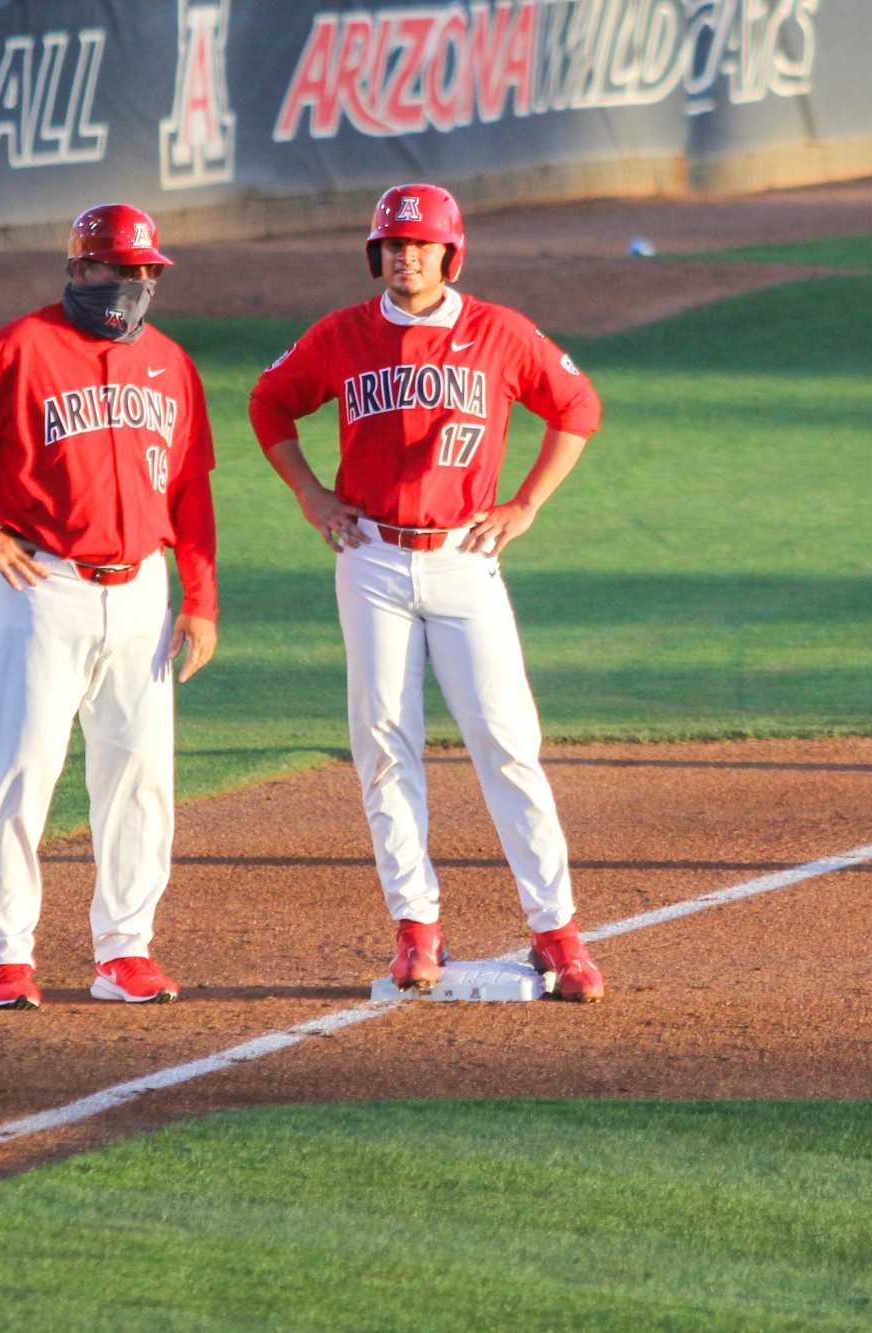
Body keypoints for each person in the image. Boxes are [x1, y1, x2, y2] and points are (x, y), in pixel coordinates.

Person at [247, 182, 607, 1002]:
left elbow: (577, 406)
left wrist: (527, 504)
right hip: (369, 555)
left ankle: (556, 931)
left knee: (507, 741)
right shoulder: (342, 336)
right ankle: (415, 926)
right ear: (377, 253)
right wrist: (308, 491)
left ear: (451, 252)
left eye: (419, 244)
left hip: (464, 557)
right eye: (392, 245)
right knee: (382, 745)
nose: (405, 257)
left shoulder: (498, 333)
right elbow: (269, 403)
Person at [0, 203, 218, 1010]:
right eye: (118, 268)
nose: (134, 283)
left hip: (143, 592)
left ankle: (126, 951)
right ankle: (5, 954)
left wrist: (200, 598)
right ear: (79, 271)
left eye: (146, 271)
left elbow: (188, 488)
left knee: (140, 777)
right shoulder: (19, 347)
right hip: (44, 588)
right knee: (17, 770)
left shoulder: (172, 363)